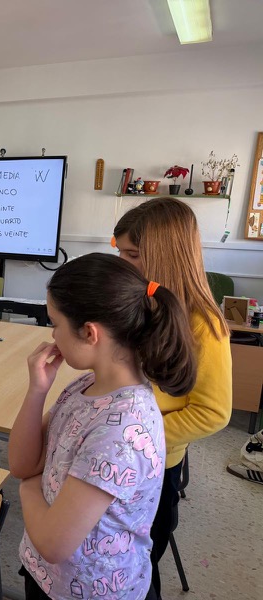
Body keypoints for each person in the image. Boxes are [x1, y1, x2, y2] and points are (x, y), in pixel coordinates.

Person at [9, 253, 197, 600]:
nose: (52, 335)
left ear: (89, 332)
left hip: (92, 592)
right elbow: (22, 463)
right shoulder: (85, 386)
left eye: (55, 323)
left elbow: (52, 542)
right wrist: (37, 390)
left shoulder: (122, 430)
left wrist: (28, 487)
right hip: (49, 578)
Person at [113, 197, 232, 599]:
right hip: (117, 455)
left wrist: (137, 437)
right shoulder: (141, 304)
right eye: (120, 252)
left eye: (132, 255)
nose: (123, 263)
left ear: (163, 256)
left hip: (153, 466)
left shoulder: (204, 325)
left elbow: (212, 412)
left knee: (137, 567)